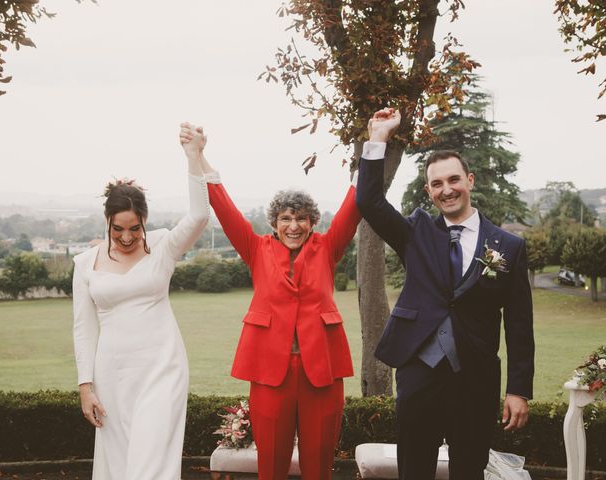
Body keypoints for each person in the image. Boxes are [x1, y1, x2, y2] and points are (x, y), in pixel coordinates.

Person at [355, 108, 535, 480]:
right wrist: (378, 139)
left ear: (469, 180)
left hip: (476, 379)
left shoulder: (509, 246)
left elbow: (519, 325)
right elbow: (369, 202)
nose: (446, 189)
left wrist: (518, 389)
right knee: (414, 471)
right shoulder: (415, 233)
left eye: (454, 179)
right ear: (429, 191)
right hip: (419, 374)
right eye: (437, 184)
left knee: (469, 471)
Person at [179, 123, 360, 480]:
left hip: (321, 374)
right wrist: (197, 155)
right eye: (286, 218)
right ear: (274, 223)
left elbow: (355, 206)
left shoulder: (328, 248)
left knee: (320, 465)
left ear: (313, 222)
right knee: (271, 465)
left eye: (301, 218)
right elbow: (224, 207)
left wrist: (375, 146)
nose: (294, 226)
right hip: (269, 374)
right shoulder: (256, 248)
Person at [72, 130, 209, 480]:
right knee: (118, 467)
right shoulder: (85, 263)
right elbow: (83, 329)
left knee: (151, 468)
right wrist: (86, 387)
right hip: (111, 377)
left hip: (162, 369)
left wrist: (193, 156)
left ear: (145, 221)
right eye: (118, 229)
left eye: (135, 228)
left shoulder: (163, 246)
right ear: (107, 221)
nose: (128, 237)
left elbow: (198, 217)